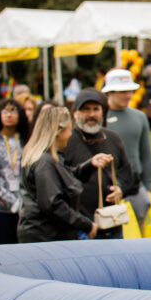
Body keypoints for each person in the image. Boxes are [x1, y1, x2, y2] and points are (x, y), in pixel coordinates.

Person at [17, 106, 113, 243]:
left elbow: (63, 180)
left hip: (44, 234)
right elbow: (52, 204)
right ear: (58, 132)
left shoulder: (49, 159)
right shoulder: (45, 162)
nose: (70, 134)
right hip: (45, 237)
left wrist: (90, 165)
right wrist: (85, 224)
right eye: (69, 130)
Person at [61, 88, 139, 240]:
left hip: (113, 222)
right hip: (81, 226)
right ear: (75, 113)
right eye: (86, 109)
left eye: (96, 109)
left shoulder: (113, 139)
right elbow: (62, 178)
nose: (91, 114)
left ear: (103, 113)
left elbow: (129, 177)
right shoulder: (67, 141)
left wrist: (120, 189)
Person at [101, 69, 151, 231]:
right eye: (123, 91)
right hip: (108, 185)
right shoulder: (99, 117)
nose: (128, 95)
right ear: (110, 92)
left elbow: (146, 154)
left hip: (135, 184)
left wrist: (148, 187)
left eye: (130, 91)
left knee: (137, 232)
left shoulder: (139, 117)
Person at [0, 99, 31, 244]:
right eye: (5, 111)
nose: (8, 115)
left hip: (24, 205)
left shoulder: (26, 140)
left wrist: (22, 202)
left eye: (12, 111)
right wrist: (10, 201)